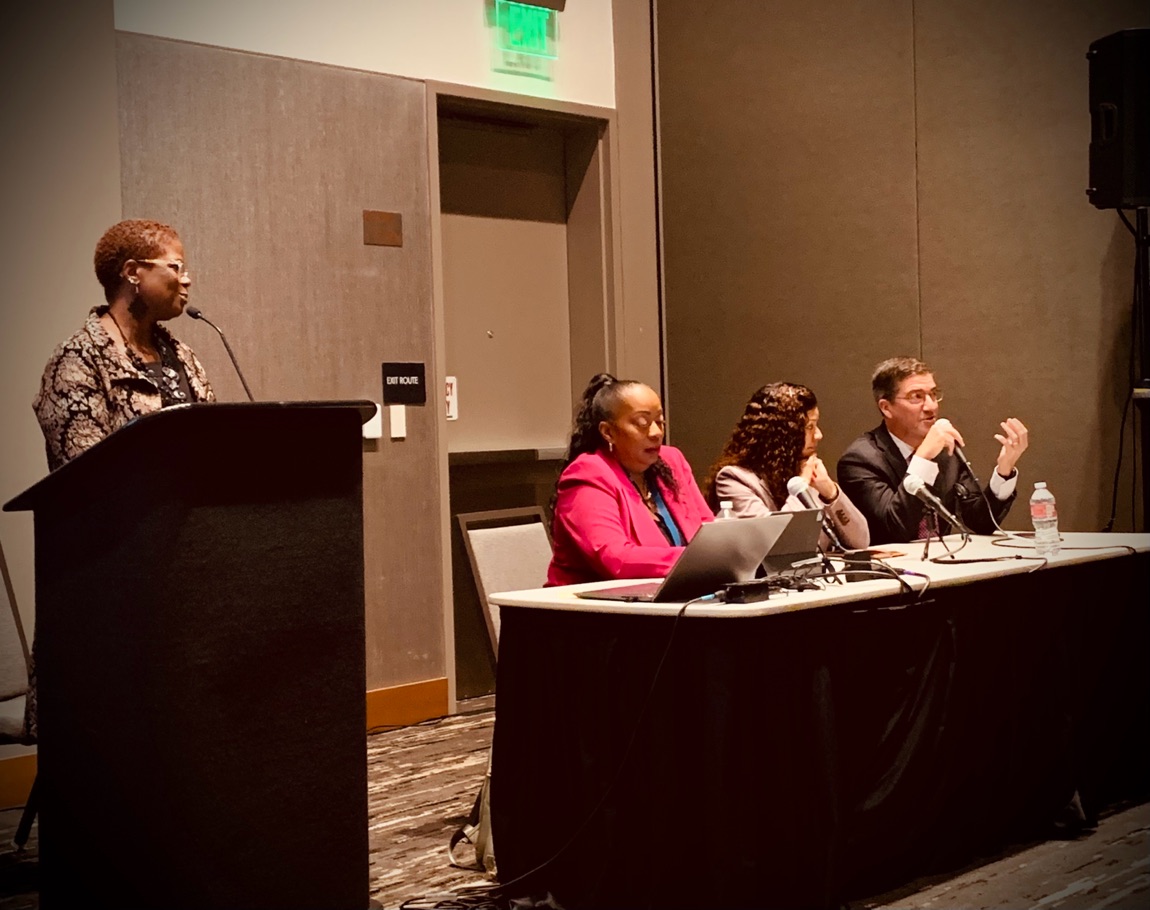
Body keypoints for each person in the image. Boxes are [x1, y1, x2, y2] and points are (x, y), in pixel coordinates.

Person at [33, 219, 215, 471]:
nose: (186, 280)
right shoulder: (76, 360)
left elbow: (212, 446)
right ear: (132, 272)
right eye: (176, 267)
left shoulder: (183, 355)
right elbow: (87, 475)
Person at [837, 356, 1028, 544]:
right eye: (916, 397)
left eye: (933, 394)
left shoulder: (944, 450)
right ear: (886, 408)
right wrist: (923, 459)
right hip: (892, 563)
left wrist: (1004, 470)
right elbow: (895, 529)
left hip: (944, 559)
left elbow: (981, 522)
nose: (931, 406)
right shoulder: (860, 460)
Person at [546, 373, 712, 586]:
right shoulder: (588, 473)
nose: (656, 433)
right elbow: (615, 559)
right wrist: (697, 561)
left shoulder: (671, 461)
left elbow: (707, 530)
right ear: (608, 432)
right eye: (642, 423)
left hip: (669, 595)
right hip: (587, 603)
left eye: (660, 422)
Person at [704, 382, 869, 551]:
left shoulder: (806, 472)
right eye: (810, 427)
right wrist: (801, 487)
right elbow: (777, 546)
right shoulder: (734, 480)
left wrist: (830, 493)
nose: (819, 435)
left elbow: (861, 541)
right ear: (783, 434)